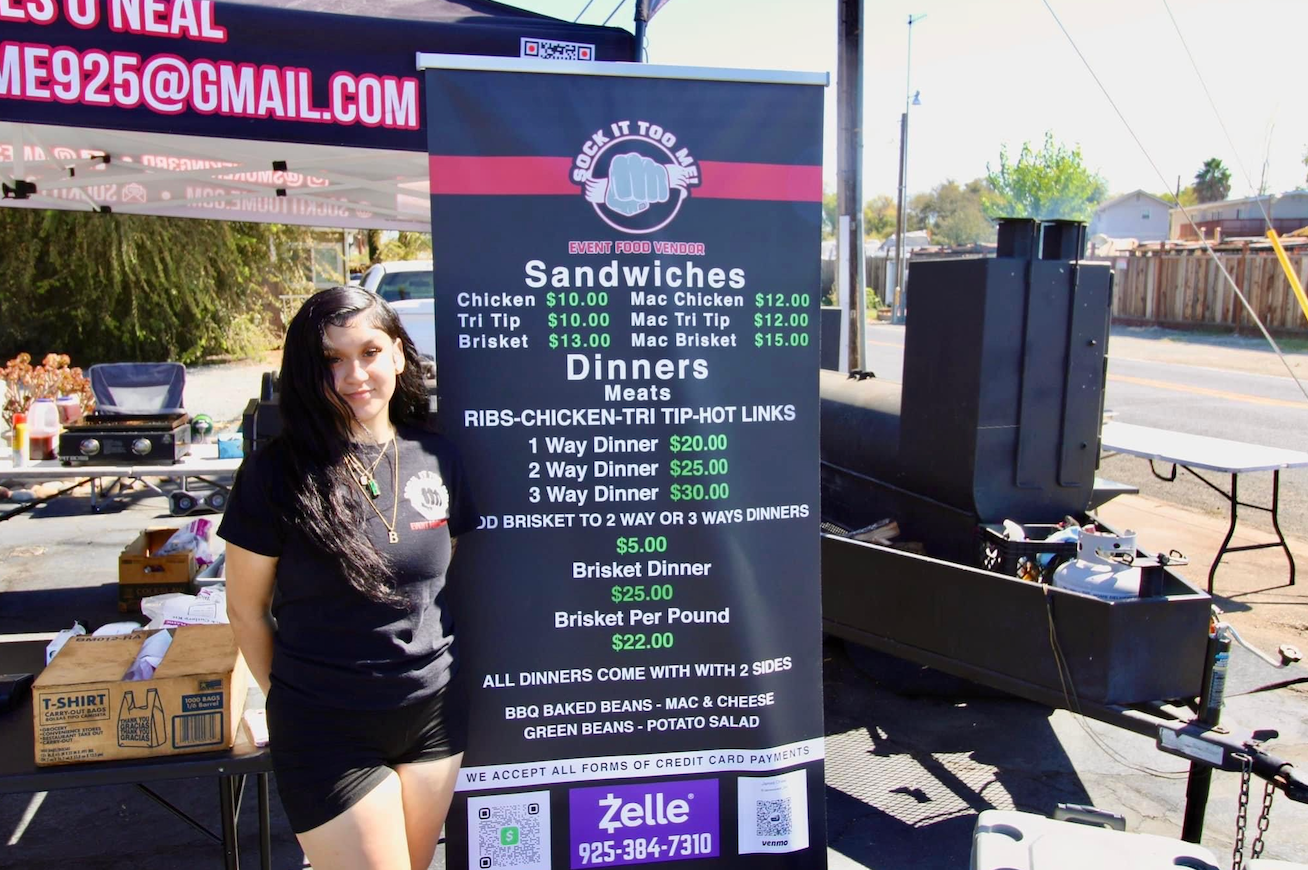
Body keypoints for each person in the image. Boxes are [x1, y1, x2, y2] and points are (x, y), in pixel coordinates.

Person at [219, 286, 477, 870]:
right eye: (332, 359)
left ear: (398, 356)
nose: (354, 374)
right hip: (326, 726)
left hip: (433, 714)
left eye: (369, 352)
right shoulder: (273, 475)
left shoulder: (439, 457)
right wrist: (289, 698)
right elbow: (246, 609)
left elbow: (438, 579)